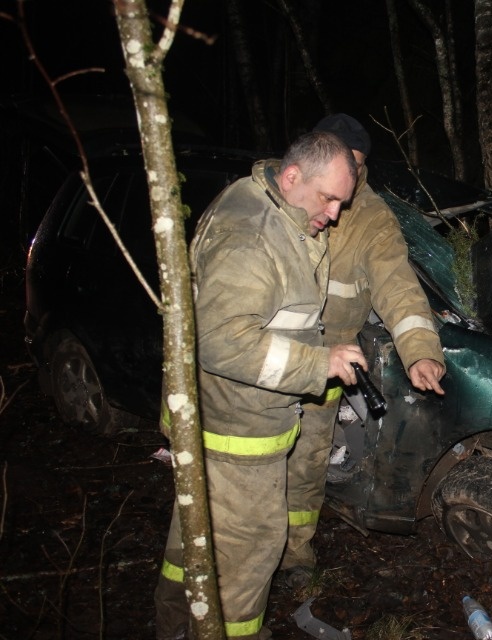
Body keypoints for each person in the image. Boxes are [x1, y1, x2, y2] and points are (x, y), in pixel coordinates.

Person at [154, 131, 363, 640]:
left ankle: (174, 626)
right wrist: (318, 363)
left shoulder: (269, 205)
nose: (335, 215)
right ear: (292, 177)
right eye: (328, 199)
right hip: (237, 434)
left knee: (193, 543)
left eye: (342, 202)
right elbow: (221, 342)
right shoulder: (252, 236)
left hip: (209, 420)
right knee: (250, 555)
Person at [280, 113, 446, 584]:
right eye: (336, 162)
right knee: (256, 464)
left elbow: (399, 286)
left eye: (354, 165)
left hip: (327, 365)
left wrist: (420, 350)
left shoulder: (370, 216)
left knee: (309, 462)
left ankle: (295, 554)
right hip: (267, 361)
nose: (344, 177)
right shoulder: (277, 196)